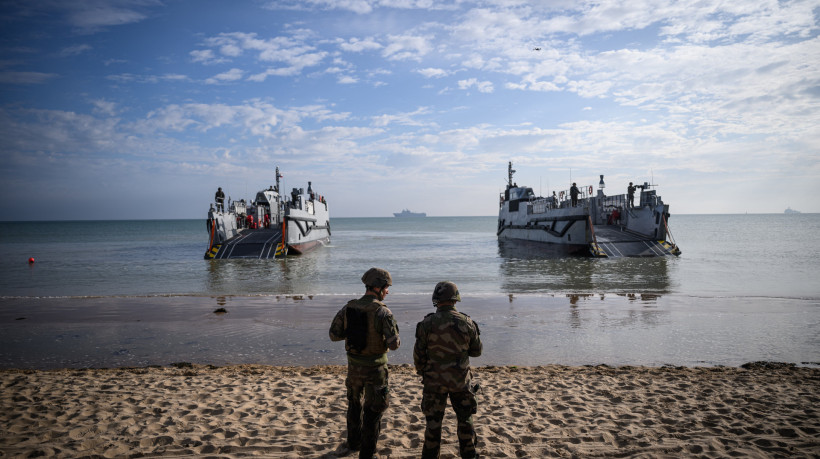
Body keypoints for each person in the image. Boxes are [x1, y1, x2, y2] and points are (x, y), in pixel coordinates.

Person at [330, 268, 401, 458]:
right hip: (376, 370)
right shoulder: (383, 312)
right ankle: (367, 452)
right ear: (378, 287)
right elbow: (394, 344)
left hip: (354, 368)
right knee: (374, 410)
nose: (387, 292)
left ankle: (353, 443)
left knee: (354, 405)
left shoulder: (349, 308)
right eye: (387, 288)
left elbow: (334, 335)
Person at [414, 281, 483, 459]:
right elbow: (476, 352)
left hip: (434, 381)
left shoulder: (426, 324)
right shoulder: (467, 322)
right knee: (465, 419)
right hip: (460, 380)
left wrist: (424, 373)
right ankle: (468, 455)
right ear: (455, 299)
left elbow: (418, 357)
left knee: (433, 423)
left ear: (436, 299)